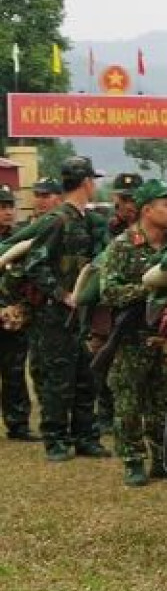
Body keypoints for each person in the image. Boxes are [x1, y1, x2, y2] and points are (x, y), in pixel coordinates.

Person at [7, 156, 112, 460]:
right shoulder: (57, 220)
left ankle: (85, 437)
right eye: (93, 180)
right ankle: (55, 440)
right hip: (55, 316)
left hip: (78, 316)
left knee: (84, 376)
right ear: (86, 183)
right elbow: (35, 264)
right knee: (58, 379)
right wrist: (62, 294)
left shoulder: (82, 220)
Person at [95, 180, 167, 486]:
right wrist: (150, 290)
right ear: (147, 210)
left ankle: (165, 459)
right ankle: (133, 460)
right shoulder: (123, 245)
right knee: (129, 400)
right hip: (133, 337)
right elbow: (109, 292)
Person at [0, 188, 35, 442]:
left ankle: (18, 424)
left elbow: (30, 279)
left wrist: (22, 309)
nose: (7, 211)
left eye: (10, 206)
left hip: (13, 321)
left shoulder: (22, 240)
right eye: (2, 207)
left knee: (13, 372)